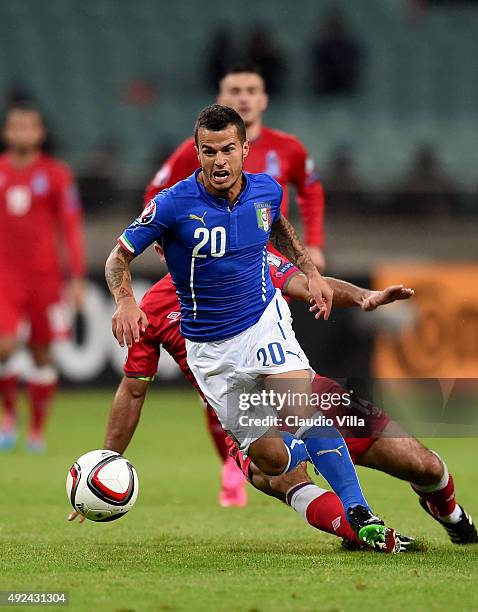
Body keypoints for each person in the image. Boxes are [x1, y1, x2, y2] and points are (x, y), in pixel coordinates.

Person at [106, 105, 402, 552]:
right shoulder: (171, 204)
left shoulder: (266, 188)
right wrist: (126, 300)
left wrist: (310, 270)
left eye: (228, 149)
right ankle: (319, 452)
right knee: (272, 458)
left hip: (263, 324)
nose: (219, 160)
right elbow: (118, 257)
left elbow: (278, 226)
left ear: (245, 149)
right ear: (198, 153)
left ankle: (360, 512)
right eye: (208, 151)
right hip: (209, 351)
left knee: (302, 410)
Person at [72, 250, 476, 546]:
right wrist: (108, 460)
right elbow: (133, 389)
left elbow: (309, 284)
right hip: (245, 418)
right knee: (279, 473)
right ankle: (368, 532)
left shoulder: (247, 257)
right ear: (163, 250)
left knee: (421, 465)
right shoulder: (153, 311)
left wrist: (362, 297)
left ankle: (449, 512)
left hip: (311, 394)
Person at [144, 65, 326, 271]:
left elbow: (311, 191)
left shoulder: (289, 147)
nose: (244, 99)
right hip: (212, 263)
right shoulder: (196, 150)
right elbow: (156, 194)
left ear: (263, 100)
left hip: (271, 262)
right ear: (221, 101)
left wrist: (314, 243)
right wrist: (168, 240)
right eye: (235, 91)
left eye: (251, 91)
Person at [0, 102, 86, 451]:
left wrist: (75, 277)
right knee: (4, 346)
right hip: (4, 275)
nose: (22, 133)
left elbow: (69, 227)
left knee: (41, 355)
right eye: (16, 127)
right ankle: (9, 416)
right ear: (7, 132)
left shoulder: (56, 174)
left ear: (39, 133)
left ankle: (36, 430)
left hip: (45, 277)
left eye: (28, 127)